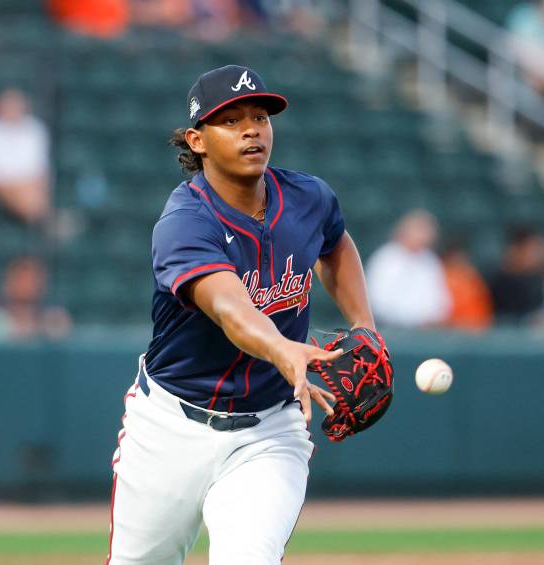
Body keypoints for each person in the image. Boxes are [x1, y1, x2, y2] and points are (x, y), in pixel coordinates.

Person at [106, 65, 383, 565]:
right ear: (198, 140)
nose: (252, 128)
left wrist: (364, 325)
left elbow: (335, 244)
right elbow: (231, 309)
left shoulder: (308, 197)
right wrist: (283, 350)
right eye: (231, 121)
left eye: (260, 116)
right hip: (170, 427)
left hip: (269, 430)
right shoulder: (184, 222)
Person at [364, 210, 450, 328]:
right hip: (388, 330)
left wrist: (430, 318)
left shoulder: (431, 261)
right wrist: (412, 319)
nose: (423, 236)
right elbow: (377, 303)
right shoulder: (385, 259)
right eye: (419, 230)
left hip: (426, 331)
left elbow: (441, 302)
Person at [0, 89, 51, 223]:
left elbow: (36, 168)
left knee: (30, 190)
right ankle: (44, 220)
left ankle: (36, 216)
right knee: (28, 197)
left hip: (24, 185)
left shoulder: (34, 128)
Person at [488, 226, 544, 325]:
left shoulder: (539, 280)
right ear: (516, 249)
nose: (537, 256)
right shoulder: (497, 281)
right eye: (532, 250)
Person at [0, 256, 71, 340]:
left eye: (32, 279)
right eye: (21, 278)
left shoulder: (53, 319)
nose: (26, 285)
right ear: (9, 281)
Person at [440, 241, 493, 330]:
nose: (458, 261)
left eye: (461, 258)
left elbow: (484, 309)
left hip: (474, 330)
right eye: (455, 258)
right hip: (448, 331)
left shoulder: (472, 277)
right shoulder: (440, 276)